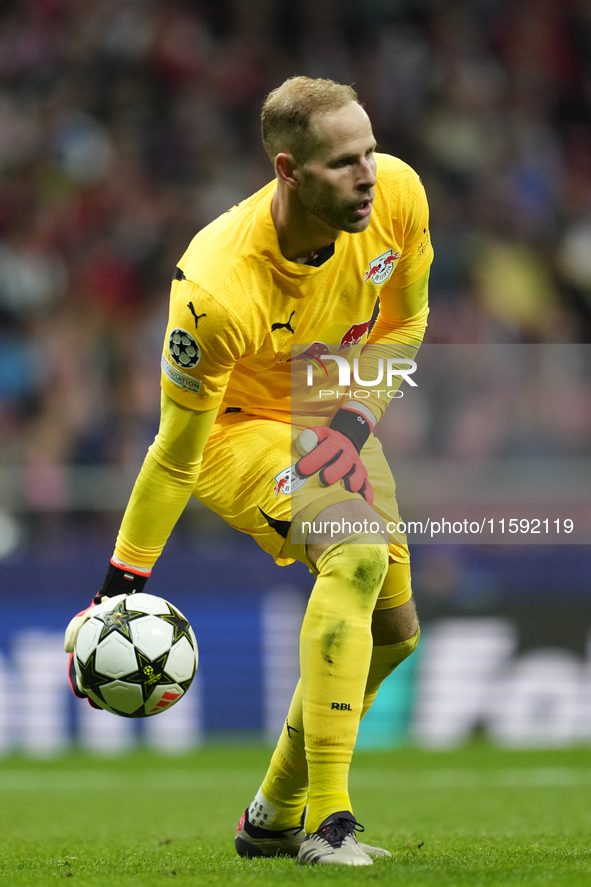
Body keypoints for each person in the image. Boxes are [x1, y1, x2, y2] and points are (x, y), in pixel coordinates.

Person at [65, 76, 433, 867]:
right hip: (236, 435)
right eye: (343, 163)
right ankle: (331, 822)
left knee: (394, 636)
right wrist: (117, 587)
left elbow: (404, 320)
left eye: (368, 151)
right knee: (356, 550)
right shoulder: (214, 288)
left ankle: (272, 814)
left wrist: (350, 423)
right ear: (287, 170)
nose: (368, 173)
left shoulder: (398, 194)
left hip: (331, 414)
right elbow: (174, 449)